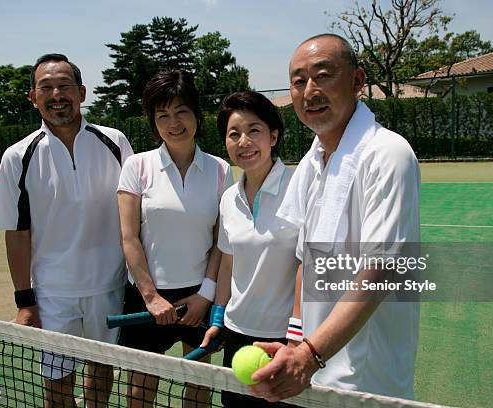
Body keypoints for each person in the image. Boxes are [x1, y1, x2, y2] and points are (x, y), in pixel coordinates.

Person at [249, 34, 421, 402]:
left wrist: (309, 355)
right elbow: (306, 260)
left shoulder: (389, 153)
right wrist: (296, 341)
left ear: (358, 81)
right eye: (298, 81)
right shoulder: (312, 160)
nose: (309, 91)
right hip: (319, 369)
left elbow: (381, 272)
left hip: (368, 381)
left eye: (323, 75)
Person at [0, 53, 134, 407]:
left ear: (82, 92)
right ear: (33, 97)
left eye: (64, 85)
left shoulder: (115, 141)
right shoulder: (17, 156)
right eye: (46, 87)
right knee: (57, 387)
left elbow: (135, 216)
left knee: (101, 374)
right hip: (53, 295)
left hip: (110, 286)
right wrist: (25, 301)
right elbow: (17, 232)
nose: (57, 94)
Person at [117, 69, 233, 408]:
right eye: (162, 115)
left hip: (199, 297)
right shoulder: (136, 166)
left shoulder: (221, 170)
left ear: (196, 114)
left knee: (199, 388)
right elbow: (128, 237)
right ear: (153, 122)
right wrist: (151, 296)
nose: (173, 122)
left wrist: (205, 295)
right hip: (146, 299)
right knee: (140, 389)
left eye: (181, 111)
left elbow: (221, 242)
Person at [199, 91, 300, 408]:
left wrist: (297, 338)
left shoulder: (301, 188)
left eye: (254, 130)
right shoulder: (229, 198)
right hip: (237, 334)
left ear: (273, 135)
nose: (244, 141)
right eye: (233, 134)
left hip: (286, 340)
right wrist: (218, 318)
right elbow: (229, 264)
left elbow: (310, 265)